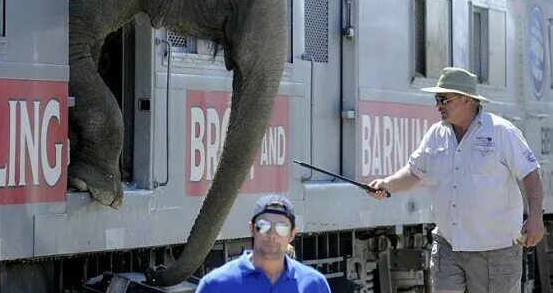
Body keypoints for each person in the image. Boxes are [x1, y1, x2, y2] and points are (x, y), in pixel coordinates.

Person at [368, 67, 544, 293]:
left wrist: (536, 217)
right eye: (436, 99)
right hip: (448, 246)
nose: (438, 105)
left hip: (495, 251)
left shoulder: (502, 132)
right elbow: (414, 173)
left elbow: (531, 174)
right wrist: (387, 183)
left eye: (444, 99)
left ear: (466, 100)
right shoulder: (436, 134)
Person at [196, 194, 331, 292]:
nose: (272, 234)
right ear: (252, 229)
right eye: (264, 226)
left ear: (292, 234)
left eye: (281, 227)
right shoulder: (215, 285)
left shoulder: (314, 285)